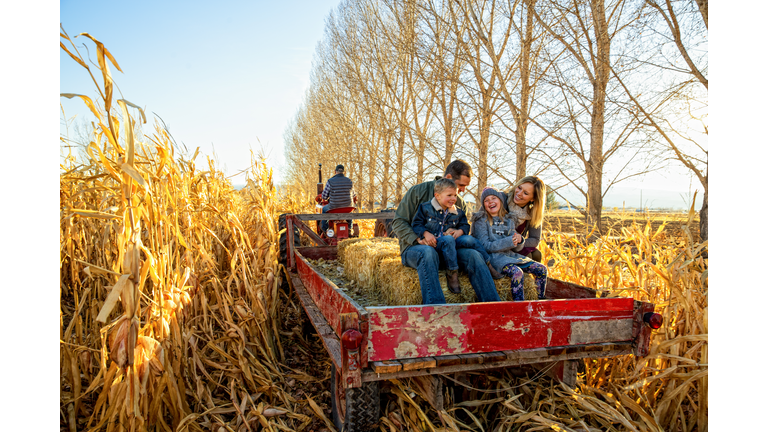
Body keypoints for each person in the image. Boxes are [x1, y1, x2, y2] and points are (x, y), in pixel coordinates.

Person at [391, 160, 502, 305]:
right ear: (449, 178)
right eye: (461, 185)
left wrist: (458, 232)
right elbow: (398, 222)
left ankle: (494, 308)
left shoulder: (459, 202)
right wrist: (417, 239)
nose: (462, 190)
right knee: (427, 253)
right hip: (415, 249)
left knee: (473, 255)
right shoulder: (418, 192)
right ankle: (437, 310)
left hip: (448, 252)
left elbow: (463, 225)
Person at [411, 178, 500, 294]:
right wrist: (425, 234)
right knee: (448, 239)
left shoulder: (458, 211)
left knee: (469, 239)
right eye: (449, 195)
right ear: (437, 196)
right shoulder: (425, 208)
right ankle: (452, 273)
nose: (453, 199)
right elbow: (416, 224)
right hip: (436, 243)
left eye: (455, 195)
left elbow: (465, 226)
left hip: (453, 242)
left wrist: (460, 232)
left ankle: (488, 264)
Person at [471, 183, 548, 301]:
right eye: (486, 200)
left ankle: (539, 301)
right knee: (517, 273)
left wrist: (520, 240)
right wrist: (508, 242)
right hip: (495, 258)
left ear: (501, 201)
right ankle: (519, 305)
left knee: (542, 270)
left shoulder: (509, 219)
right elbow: (485, 246)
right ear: (483, 204)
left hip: (511, 256)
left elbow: (516, 247)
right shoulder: (481, 220)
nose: (490, 201)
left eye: (494, 198)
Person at [318, 164, 355, 231]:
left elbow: (324, 196)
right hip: (347, 207)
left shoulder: (330, 181)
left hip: (334, 207)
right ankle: (350, 228)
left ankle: (325, 229)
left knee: (324, 209)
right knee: (350, 210)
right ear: (344, 172)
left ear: (335, 171)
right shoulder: (350, 181)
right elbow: (353, 195)